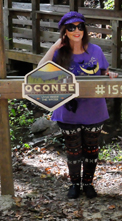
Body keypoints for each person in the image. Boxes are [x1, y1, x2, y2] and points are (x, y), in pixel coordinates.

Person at [39, 11, 117, 199]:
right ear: (64, 31)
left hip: (94, 109)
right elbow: (40, 70)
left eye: (80, 26)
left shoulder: (96, 50)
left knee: (91, 149)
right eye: (71, 27)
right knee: (73, 150)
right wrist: (55, 46)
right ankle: (74, 184)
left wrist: (109, 74)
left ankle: (88, 184)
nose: (76, 30)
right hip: (67, 110)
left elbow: (104, 70)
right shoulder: (59, 53)